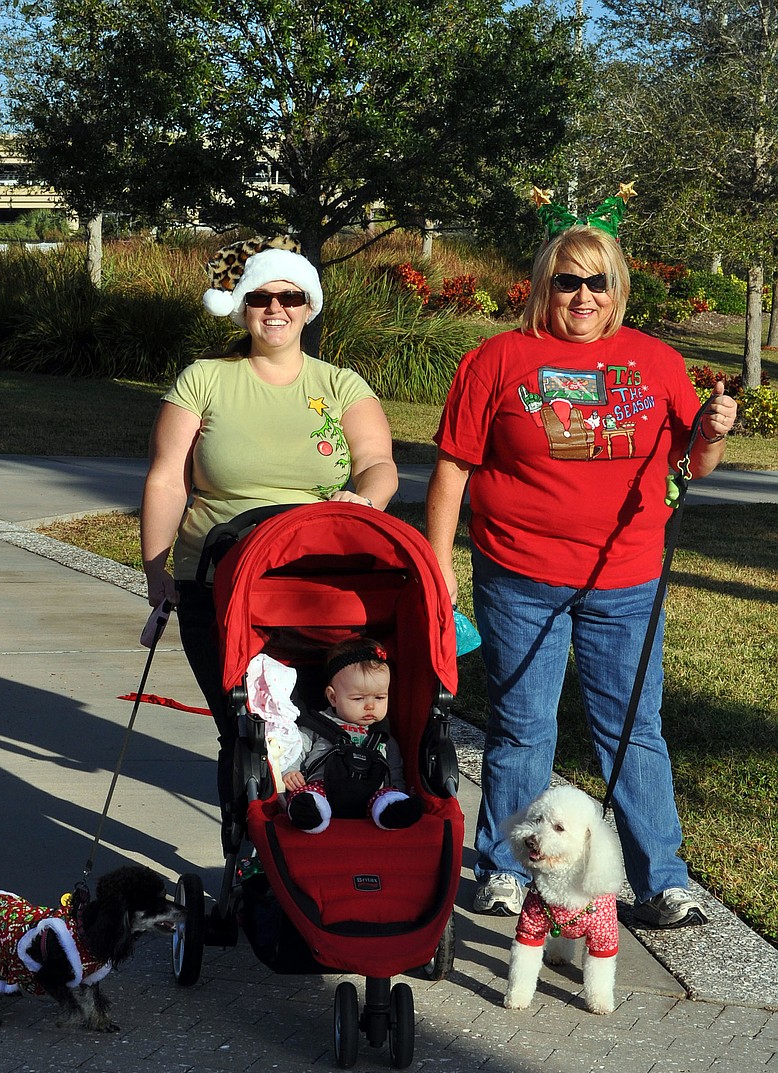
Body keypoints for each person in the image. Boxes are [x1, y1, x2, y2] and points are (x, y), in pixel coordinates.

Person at [425, 185, 737, 929]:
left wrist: (715, 428)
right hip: (520, 577)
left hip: (627, 580)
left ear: (617, 287)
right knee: (523, 731)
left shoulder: (655, 361)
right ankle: (503, 871)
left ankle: (662, 879)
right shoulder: (497, 359)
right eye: (568, 280)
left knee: (634, 731)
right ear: (544, 285)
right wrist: (438, 563)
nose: (584, 295)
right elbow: (451, 471)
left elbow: (697, 463)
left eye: (599, 280)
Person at [140, 240, 398, 828]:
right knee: (246, 725)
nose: (275, 308)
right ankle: (248, 850)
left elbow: (379, 463)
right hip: (219, 584)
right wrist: (158, 574)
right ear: (240, 306)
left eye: (290, 297)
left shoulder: (341, 384)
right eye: (260, 296)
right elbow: (166, 480)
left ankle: (329, 828)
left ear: (310, 307)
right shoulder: (204, 379)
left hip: (321, 587)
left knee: (322, 717)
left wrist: (366, 497)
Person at [282, 637, 424, 832]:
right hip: (324, 788)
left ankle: (392, 810)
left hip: (372, 794)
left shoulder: (383, 736)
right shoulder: (318, 725)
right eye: (358, 698)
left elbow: (395, 771)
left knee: (387, 795)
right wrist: (290, 771)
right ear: (333, 697)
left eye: (380, 697)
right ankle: (310, 816)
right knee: (306, 795)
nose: (370, 705)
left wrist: (397, 790)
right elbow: (296, 748)